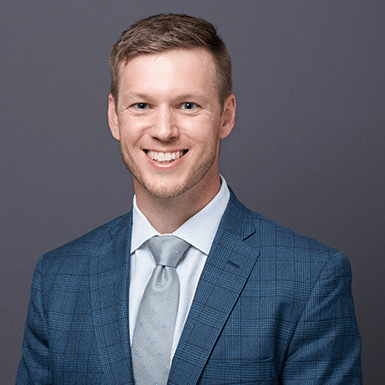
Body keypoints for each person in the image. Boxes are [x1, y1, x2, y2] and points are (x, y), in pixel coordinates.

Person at [16, 13, 363, 385]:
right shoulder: (58, 278)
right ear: (114, 117)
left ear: (226, 117)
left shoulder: (309, 279)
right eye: (142, 106)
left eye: (187, 106)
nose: (164, 131)